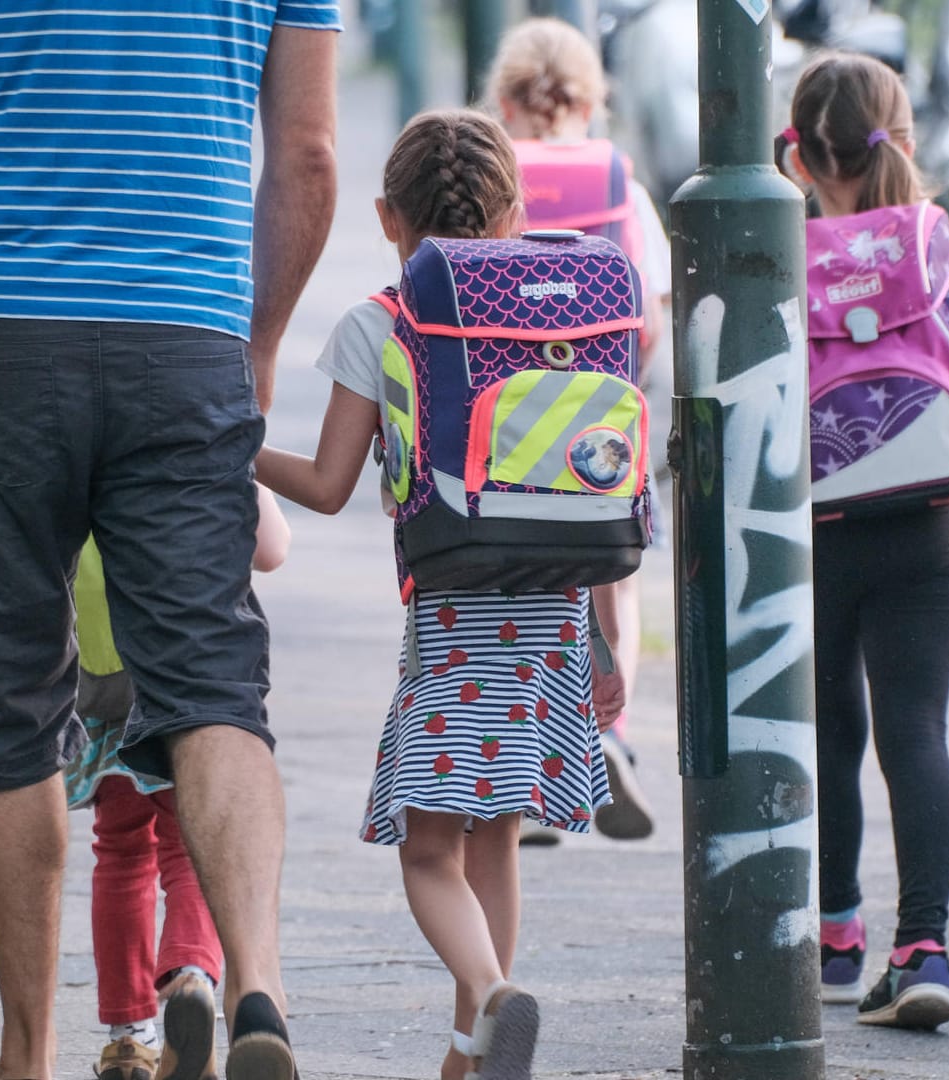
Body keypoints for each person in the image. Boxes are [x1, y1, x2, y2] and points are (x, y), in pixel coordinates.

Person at [0, 3, 340, 1077]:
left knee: (13, 702)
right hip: (186, 339)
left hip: (5, 339)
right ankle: (258, 987)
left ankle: (29, 1053)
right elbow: (306, 153)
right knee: (212, 685)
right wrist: (252, 346)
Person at [254, 109, 626, 1080]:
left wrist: (233, 443)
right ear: (515, 211)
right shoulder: (563, 305)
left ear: (388, 216)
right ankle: (472, 1055)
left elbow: (331, 488)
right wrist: (611, 640)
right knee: (496, 840)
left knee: (430, 854)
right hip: (554, 614)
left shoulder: (380, 322)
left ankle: (494, 997)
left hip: (455, 613)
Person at [781, 52, 949, 1029]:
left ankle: (835, 933)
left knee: (829, 730)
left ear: (795, 151)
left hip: (815, 537)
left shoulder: (770, 263)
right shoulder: (943, 254)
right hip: (927, 530)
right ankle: (923, 948)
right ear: (901, 138)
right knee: (915, 730)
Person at [486, 17, 672, 843]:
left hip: (499, 431)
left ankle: (528, 777)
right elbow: (651, 321)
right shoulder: (620, 187)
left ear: (505, 101)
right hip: (600, 428)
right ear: (592, 102)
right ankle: (607, 734)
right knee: (614, 582)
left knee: (517, 587)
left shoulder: (488, 181)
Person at [67, 487, 291, 1080]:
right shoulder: (202, 435)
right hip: (186, 680)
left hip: (102, 679)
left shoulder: (84, 442)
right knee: (191, 845)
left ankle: (128, 1035)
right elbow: (271, 550)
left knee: (117, 851)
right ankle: (193, 974)